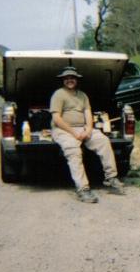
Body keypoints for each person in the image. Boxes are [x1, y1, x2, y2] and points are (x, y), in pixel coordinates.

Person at [50, 66, 125, 203]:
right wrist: (74, 133)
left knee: (103, 141)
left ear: (76, 79)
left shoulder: (83, 95)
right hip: (63, 130)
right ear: (63, 80)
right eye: (66, 78)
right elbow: (57, 119)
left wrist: (89, 130)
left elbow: (88, 114)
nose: (69, 80)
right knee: (74, 151)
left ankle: (111, 177)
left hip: (82, 128)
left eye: (72, 78)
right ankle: (83, 189)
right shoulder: (58, 94)